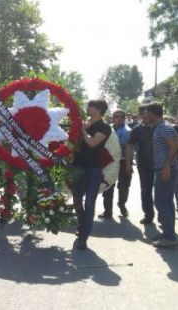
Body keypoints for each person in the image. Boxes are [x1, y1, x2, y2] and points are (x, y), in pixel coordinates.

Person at [72, 99, 112, 251]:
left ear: (98, 109)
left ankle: (83, 237)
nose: (87, 108)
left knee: (89, 202)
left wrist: (83, 130)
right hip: (78, 166)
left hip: (93, 169)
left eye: (90, 106)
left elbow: (93, 143)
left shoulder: (104, 127)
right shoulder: (85, 123)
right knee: (76, 200)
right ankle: (82, 223)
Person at [146, 103, 178, 248]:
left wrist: (166, 166)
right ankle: (168, 233)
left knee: (160, 202)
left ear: (152, 113)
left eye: (147, 113)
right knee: (167, 202)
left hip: (165, 169)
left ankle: (170, 237)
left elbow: (174, 146)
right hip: (168, 168)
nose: (146, 116)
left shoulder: (163, 128)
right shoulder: (166, 126)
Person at [99, 110, 132, 218]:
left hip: (123, 161)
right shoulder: (107, 128)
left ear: (124, 118)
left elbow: (128, 149)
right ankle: (107, 211)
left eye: (122, 117)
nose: (119, 118)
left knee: (123, 187)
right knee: (108, 186)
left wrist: (128, 164)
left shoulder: (127, 131)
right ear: (112, 118)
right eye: (116, 116)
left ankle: (122, 204)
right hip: (109, 162)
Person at [126, 106, 156, 224]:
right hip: (143, 165)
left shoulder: (160, 126)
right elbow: (130, 146)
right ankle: (148, 215)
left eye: (147, 112)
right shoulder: (137, 129)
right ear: (139, 115)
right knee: (146, 191)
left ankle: (164, 218)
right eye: (142, 113)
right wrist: (128, 164)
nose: (145, 115)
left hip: (161, 165)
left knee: (160, 192)